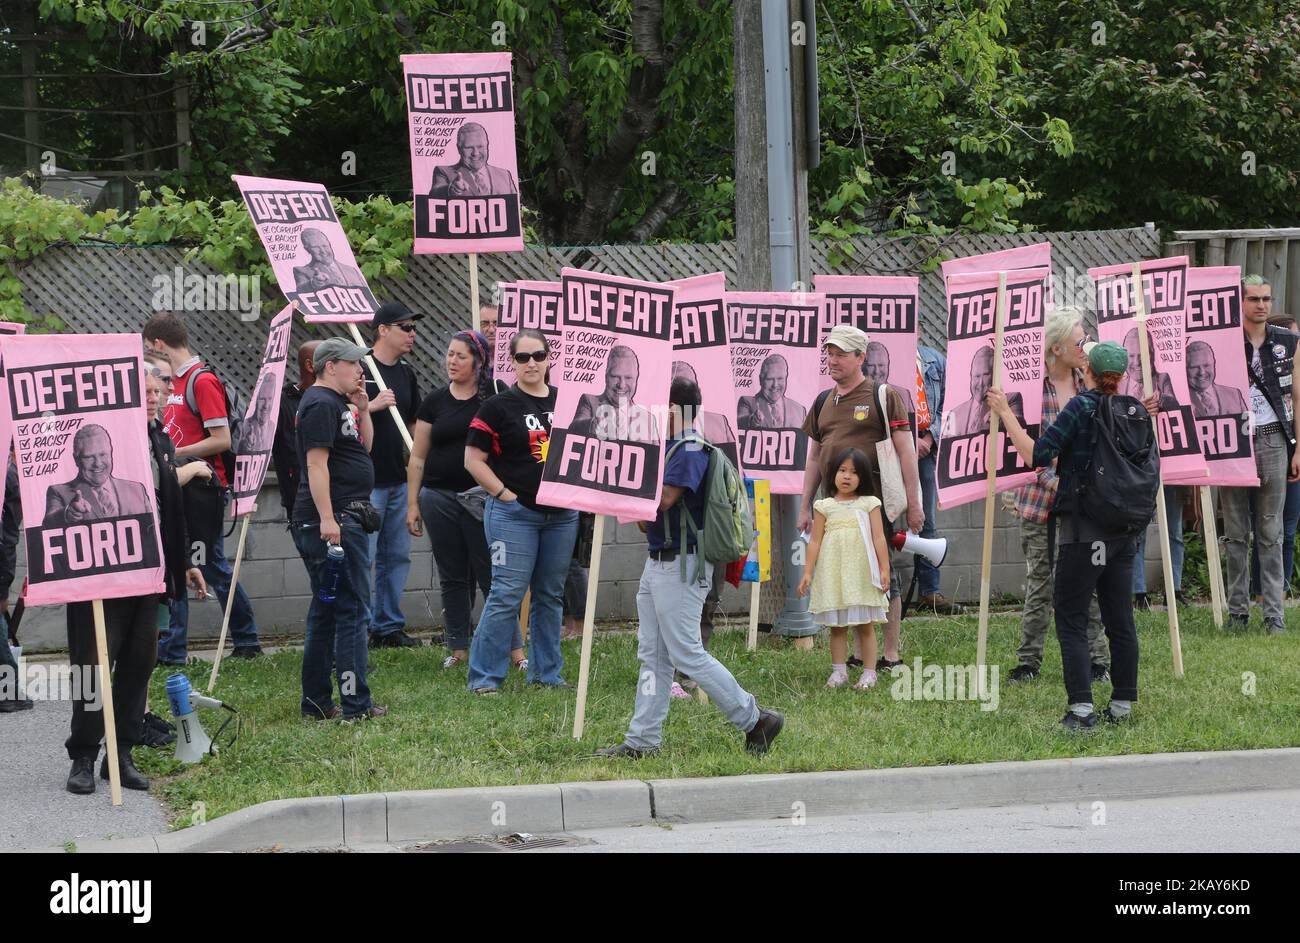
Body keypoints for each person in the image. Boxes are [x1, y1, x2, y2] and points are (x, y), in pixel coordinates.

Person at [595, 376, 784, 757]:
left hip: (682, 566)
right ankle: (643, 741)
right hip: (661, 563)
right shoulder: (671, 449)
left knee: (685, 652)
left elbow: (663, 499)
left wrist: (616, 486)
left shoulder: (690, 449)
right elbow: (655, 515)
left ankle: (755, 719)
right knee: (654, 654)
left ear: (672, 409)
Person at [64, 366, 207, 793]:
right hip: (99, 577)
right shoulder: (105, 440)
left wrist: (182, 560)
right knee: (92, 667)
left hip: (149, 575)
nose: (152, 396)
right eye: (142, 389)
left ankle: (120, 754)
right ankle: (84, 757)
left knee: (138, 664)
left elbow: (168, 503)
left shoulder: (160, 439)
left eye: (157, 389)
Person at [988, 341, 1144, 730]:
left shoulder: (1082, 406)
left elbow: (1038, 454)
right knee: (1120, 620)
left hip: (1084, 530)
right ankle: (1122, 706)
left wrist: (1006, 413)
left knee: (1071, 617)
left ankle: (1081, 711)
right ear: (1122, 376)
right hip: (1125, 531)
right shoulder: (1136, 410)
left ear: (1088, 370)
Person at [799, 325, 924, 674]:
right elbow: (813, 458)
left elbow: (906, 452)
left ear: (860, 358)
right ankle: (856, 653)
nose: (832, 360)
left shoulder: (883, 396)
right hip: (833, 508)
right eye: (829, 353)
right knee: (847, 574)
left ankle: (890, 654)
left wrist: (915, 504)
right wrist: (805, 505)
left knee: (883, 575)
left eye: (840, 354)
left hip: (873, 505)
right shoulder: (822, 401)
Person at [143, 313, 262, 663]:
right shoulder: (170, 382)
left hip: (204, 488)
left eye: (150, 348)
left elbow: (221, 439)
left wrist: (173, 454)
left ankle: (246, 638)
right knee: (181, 560)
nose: (149, 354)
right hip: (178, 485)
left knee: (209, 564)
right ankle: (172, 650)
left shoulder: (201, 380)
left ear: (160, 345)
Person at [465, 329, 577, 693]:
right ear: (511, 362)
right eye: (523, 357)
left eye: (538, 356)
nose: (532, 363)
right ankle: (484, 678)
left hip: (561, 516)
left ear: (549, 358)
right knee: (507, 593)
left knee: (550, 595)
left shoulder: (569, 402)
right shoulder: (498, 406)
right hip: (514, 515)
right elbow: (472, 460)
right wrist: (504, 494)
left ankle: (547, 674)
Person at [407, 330, 525, 670]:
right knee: (452, 576)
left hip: (484, 501)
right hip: (438, 499)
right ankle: (458, 647)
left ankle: (515, 651)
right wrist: (413, 503)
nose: (452, 361)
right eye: (449, 354)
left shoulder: (494, 399)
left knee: (493, 575)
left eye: (460, 355)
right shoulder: (434, 401)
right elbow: (417, 458)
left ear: (478, 361)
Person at [1007, 308, 1111, 683]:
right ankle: (1028, 661)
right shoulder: (1031, 391)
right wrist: (1062, 486)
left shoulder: (1090, 385)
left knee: (1090, 582)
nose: (1085, 347)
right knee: (1041, 583)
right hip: (1042, 503)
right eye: (1078, 341)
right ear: (1055, 348)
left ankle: (1098, 659)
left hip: (1083, 506)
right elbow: (1028, 452)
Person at [292, 338, 387, 720]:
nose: (360, 371)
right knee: (351, 611)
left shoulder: (338, 404)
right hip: (333, 521)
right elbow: (316, 466)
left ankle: (316, 702)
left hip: (341, 516)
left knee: (327, 612)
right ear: (331, 366)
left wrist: (363, 409)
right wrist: (329, 518)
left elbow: (362, 450)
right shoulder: (318, 404)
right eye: (354, 364)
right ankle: (355, 704)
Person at [1221, 276, 1299, 634]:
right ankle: (1237, 612)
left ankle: (1274, 615)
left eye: (1267, 298)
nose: (1262, 305)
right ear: (1240, 302)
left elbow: (1297, 397)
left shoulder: (1288, 341)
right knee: (1236, 531)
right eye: (1253, 298)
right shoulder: (1222, 340)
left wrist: (1297, 447)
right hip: (1233, 440)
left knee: (1271, 531)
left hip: (1274, 440)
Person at [798, 447, 891, 690]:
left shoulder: (869, 503)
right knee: (836, 628)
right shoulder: (824, 506)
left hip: (861, 575)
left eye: (853, 472)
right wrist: (808, 572)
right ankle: (839, 672)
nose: (847, 476)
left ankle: (869, 673)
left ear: (863, 477)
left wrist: (884, 568)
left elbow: (879, 538)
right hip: (834, 575)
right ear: (833, 474)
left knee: (865, 625)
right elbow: (815, 541)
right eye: (842, 470)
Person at [364, 301, 422, 648]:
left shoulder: (406, 373)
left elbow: (414, 422)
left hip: (398, 478)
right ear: (383, 330)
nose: (412, 334)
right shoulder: (359, 368)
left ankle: (388, 626)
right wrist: (370, 405)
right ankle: (362, 626)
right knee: (365, 556)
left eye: (413, 328)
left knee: (396, 555)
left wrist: (421, 458)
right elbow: (338, 416)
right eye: (406, 327)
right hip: (366, 481)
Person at [1252, 316, 1300, 596]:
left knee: (1288, 527)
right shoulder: (1267, 370)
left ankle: (1280, 590)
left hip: (1292, 453)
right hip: (1268, 444)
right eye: (1291, 339)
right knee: (1264, 525)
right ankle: (1260, 591)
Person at [42, 424, 152, 525]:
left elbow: (151, 530)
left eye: (103, 454)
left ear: (111, 453)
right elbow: (49, 524)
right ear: (76, 460)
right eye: (89, 457)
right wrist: (67, 514)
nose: (98, 463)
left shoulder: (137, 490)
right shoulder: (59, 493)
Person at [913, 342, 953, 611]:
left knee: (926, 519)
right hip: (886, 450)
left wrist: (928, 437)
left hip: (926, 452)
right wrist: (906, 440)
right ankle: (883, 589)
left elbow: (950, 402)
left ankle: (930, 591)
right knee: (879, 518)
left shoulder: (934, 360)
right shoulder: (881, 355)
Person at [571, 345, 659, 443]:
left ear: (636, 379)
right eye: (615, 376)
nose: (621, 385)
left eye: (628, 378)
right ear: (606, 377)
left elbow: (656, 457)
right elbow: (573, 429)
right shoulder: (589, 402)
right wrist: (594, 424)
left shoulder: (649, 420)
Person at [272, 341, 320, 521]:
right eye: (329, 358)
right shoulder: (282, 403)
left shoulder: (342, 397)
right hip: (301, 499)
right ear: (310, 365)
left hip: (339, 497)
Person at [0, 458, 31, 713]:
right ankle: (8, 690)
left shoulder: (8, 476)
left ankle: (8, 689)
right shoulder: (9, 475)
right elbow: (6, 538)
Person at [942, 345, 1025, 436]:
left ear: (995, 375)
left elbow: (1019, 430)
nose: (980, 383)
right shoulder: (954, 414)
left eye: (986, 375)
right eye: (977, 376)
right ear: (971, 377)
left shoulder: (1011, 400)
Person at [429, 123, 518, 197]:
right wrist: (451, 189)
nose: (475, 153)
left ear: (487, 146)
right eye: (469, 147)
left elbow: (514, 207)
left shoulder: (504, 175)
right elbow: (435, 194)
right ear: (459, 149)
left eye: (480, 147)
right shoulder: (443, 172)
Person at [737, 354, 807, 429]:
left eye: (780, 379)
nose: (775, 385)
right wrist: (752, 420)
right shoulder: (747, 402)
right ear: (761, 380)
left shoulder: (799, 410)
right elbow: (740, 422)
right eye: (770, 379)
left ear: (785, 378)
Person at [1117, 327, 1180, 409]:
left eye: (1142, 355)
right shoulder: (1119, 385)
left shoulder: (1162, 380)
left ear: (1152, 354)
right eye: (1131, 356)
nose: (1137, 362)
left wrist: (1164, 400)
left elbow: (1173, 405)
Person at [292, 228, 367, 294]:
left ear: (329, 244)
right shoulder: (301, 271)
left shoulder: (351, 270)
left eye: (324, 246)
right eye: (315, 247)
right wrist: (314, 283)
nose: (323, 251)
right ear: (307, 249)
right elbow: (301, 290)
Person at [1187, 341, 1247, 418]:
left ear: (1214, 364)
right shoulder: (1178, 401)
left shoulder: (1234, 394)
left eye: (1206, 365)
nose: (1202, 372)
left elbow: (1247, 427)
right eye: (1194, 367)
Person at [863, 342, 915, 417]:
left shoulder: (903, 394)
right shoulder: (851, 395)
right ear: (862, 367)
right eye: (871, 365)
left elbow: (911, 426)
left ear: (888, 365)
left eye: (881, 365)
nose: (876, 371)